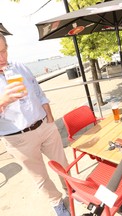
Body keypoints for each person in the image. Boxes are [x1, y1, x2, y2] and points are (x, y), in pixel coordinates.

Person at [0, 33, 70, 216]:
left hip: (44, 126)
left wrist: (49, 116)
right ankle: (56, 203)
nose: (1, 58)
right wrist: (3, 101)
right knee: (40, 177)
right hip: (18, 139)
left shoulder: (19, 67)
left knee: (62, 163)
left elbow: (38, 91)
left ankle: (72, 190)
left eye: (3, 51)